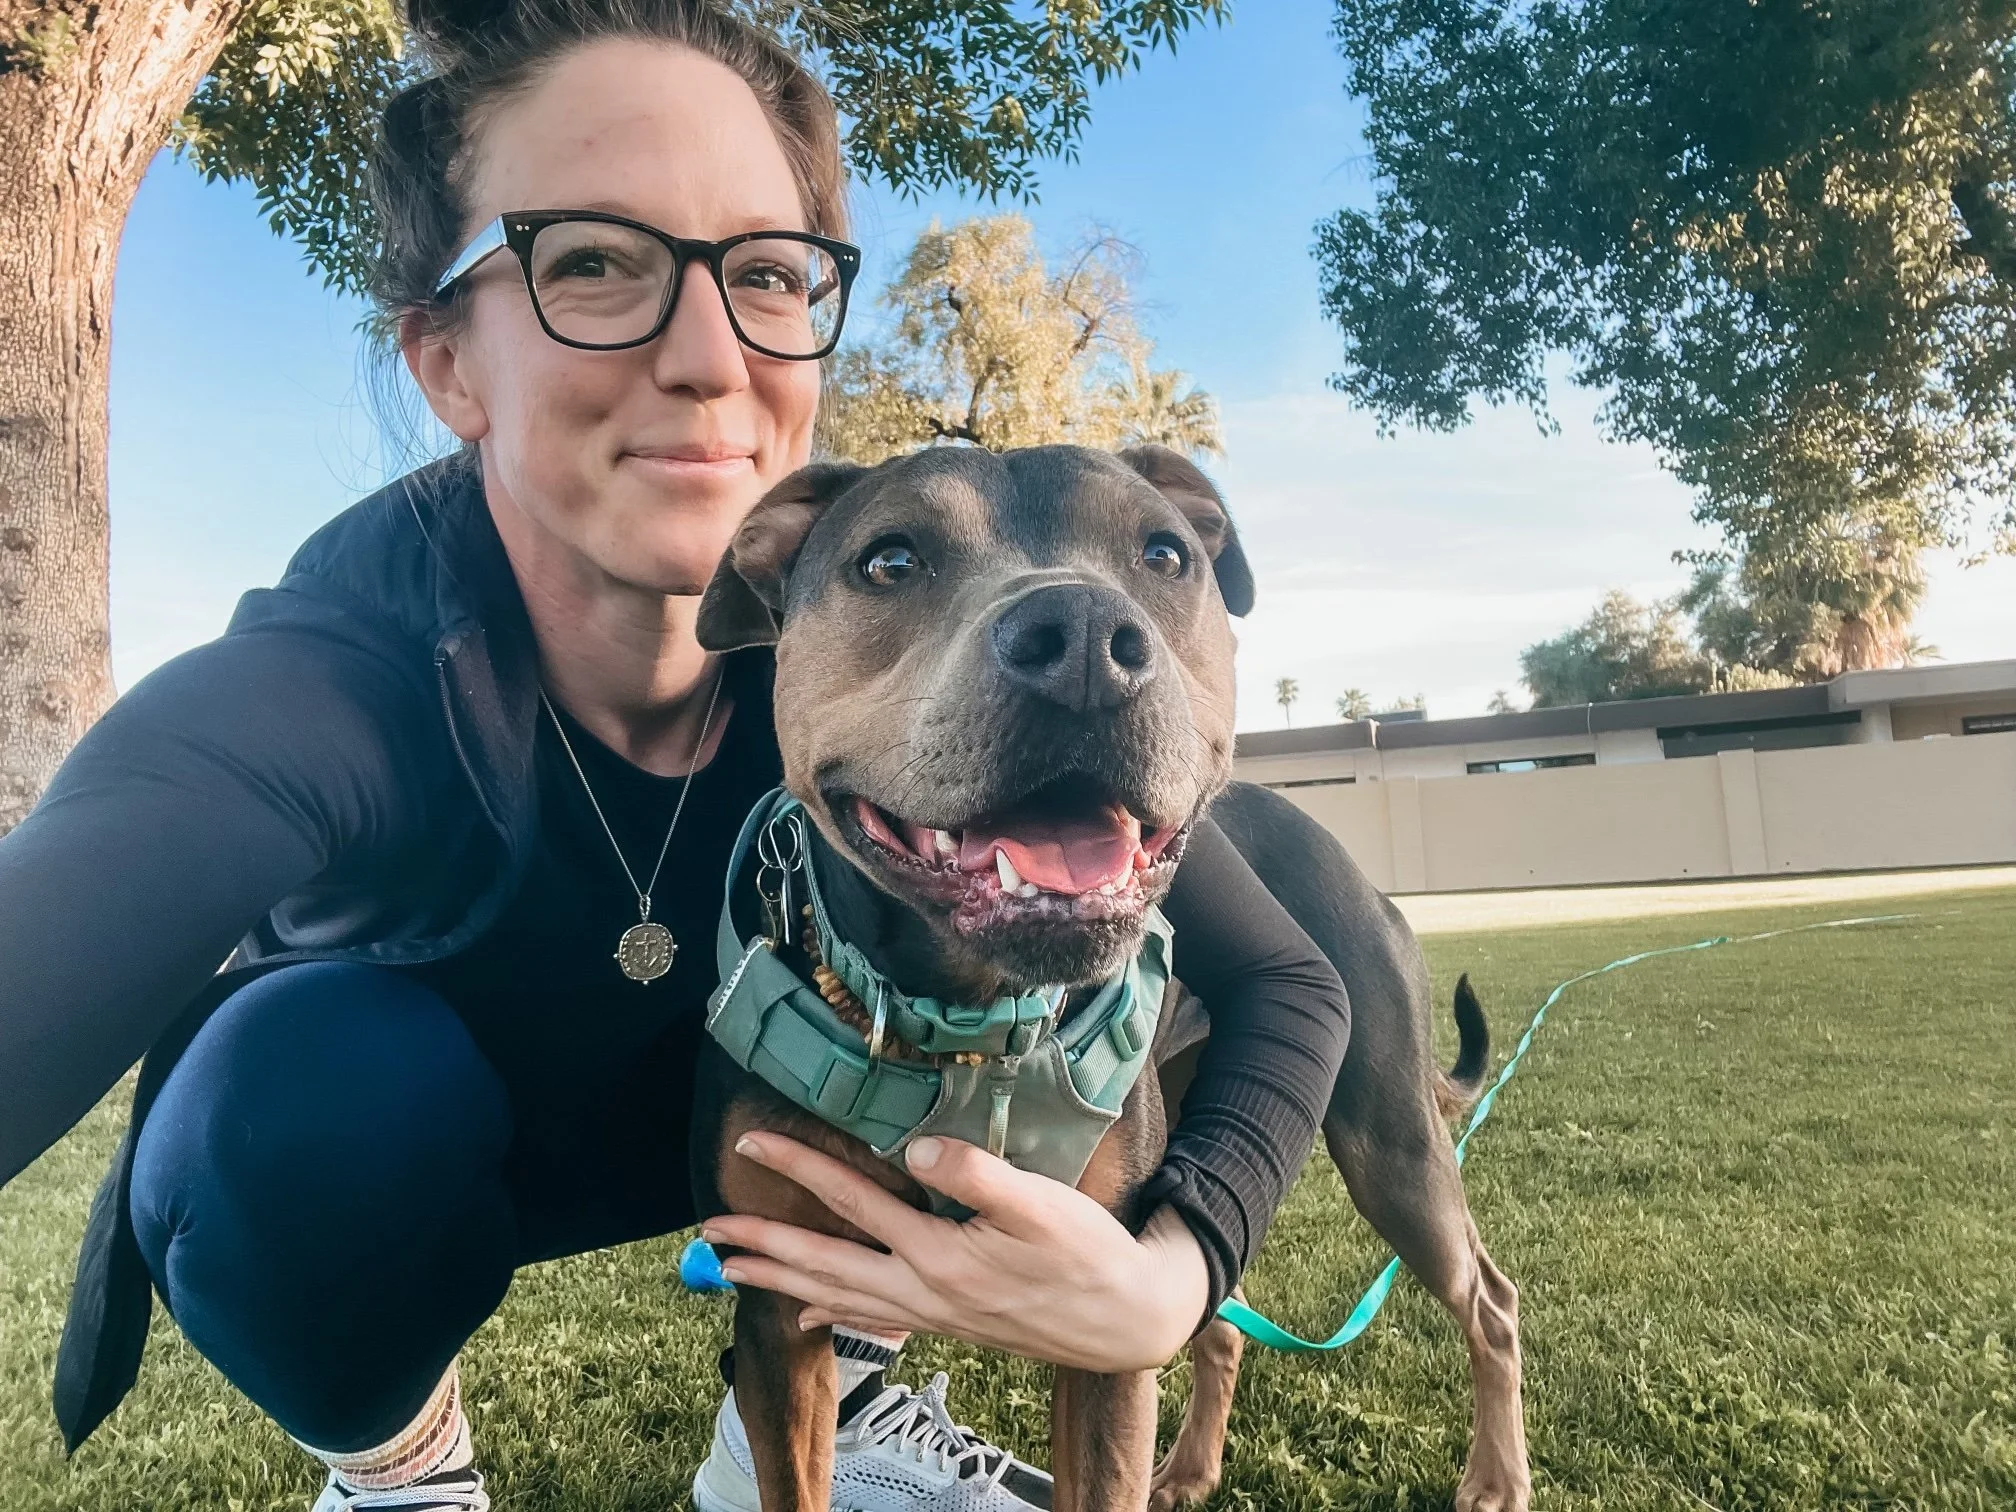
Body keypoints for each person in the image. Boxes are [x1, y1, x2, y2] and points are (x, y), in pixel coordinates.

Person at [0, 2, 1352, 1509]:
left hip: (757, 1143)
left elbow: (1292, 981)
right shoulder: (336, 679)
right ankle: (403, 1475)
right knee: (299, 1100)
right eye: (592, 262)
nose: (709, 358)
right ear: (446, 360)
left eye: (767, 275)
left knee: (915, 1006)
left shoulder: (863, 636)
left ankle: (843, 1392)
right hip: (442, 1160)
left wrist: (1172, 1279)